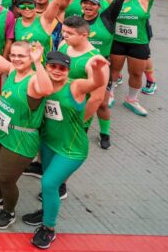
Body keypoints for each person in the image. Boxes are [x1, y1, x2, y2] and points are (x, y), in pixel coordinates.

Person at [20, 49, 110, 249]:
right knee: (48, 182)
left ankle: (48, 229)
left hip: (71, 149)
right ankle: (45, 212)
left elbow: (95, 84)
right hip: (48, 143)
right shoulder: (43, 85)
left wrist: (97, 69)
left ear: (68, 71)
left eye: (63, 68)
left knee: (49, 184)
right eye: (53, 66)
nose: (58, 71)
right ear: (47, 66)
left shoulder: (75, 86)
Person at [0, 32, 51, 229]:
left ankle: (8, 211)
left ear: (30, 57)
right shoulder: (12, 71)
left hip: (20, 137)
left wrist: (39, 62)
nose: (16, 59)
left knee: (6, 178)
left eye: (21, 56)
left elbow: (47, 89)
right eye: (14, 55)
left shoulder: (34, 80)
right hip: (0, 130)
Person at [109, 0, 168, 116]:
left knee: (136, 74)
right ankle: (110, 94)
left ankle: (132, 99)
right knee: (114, 70)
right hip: (118, 42)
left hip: (138, 43)